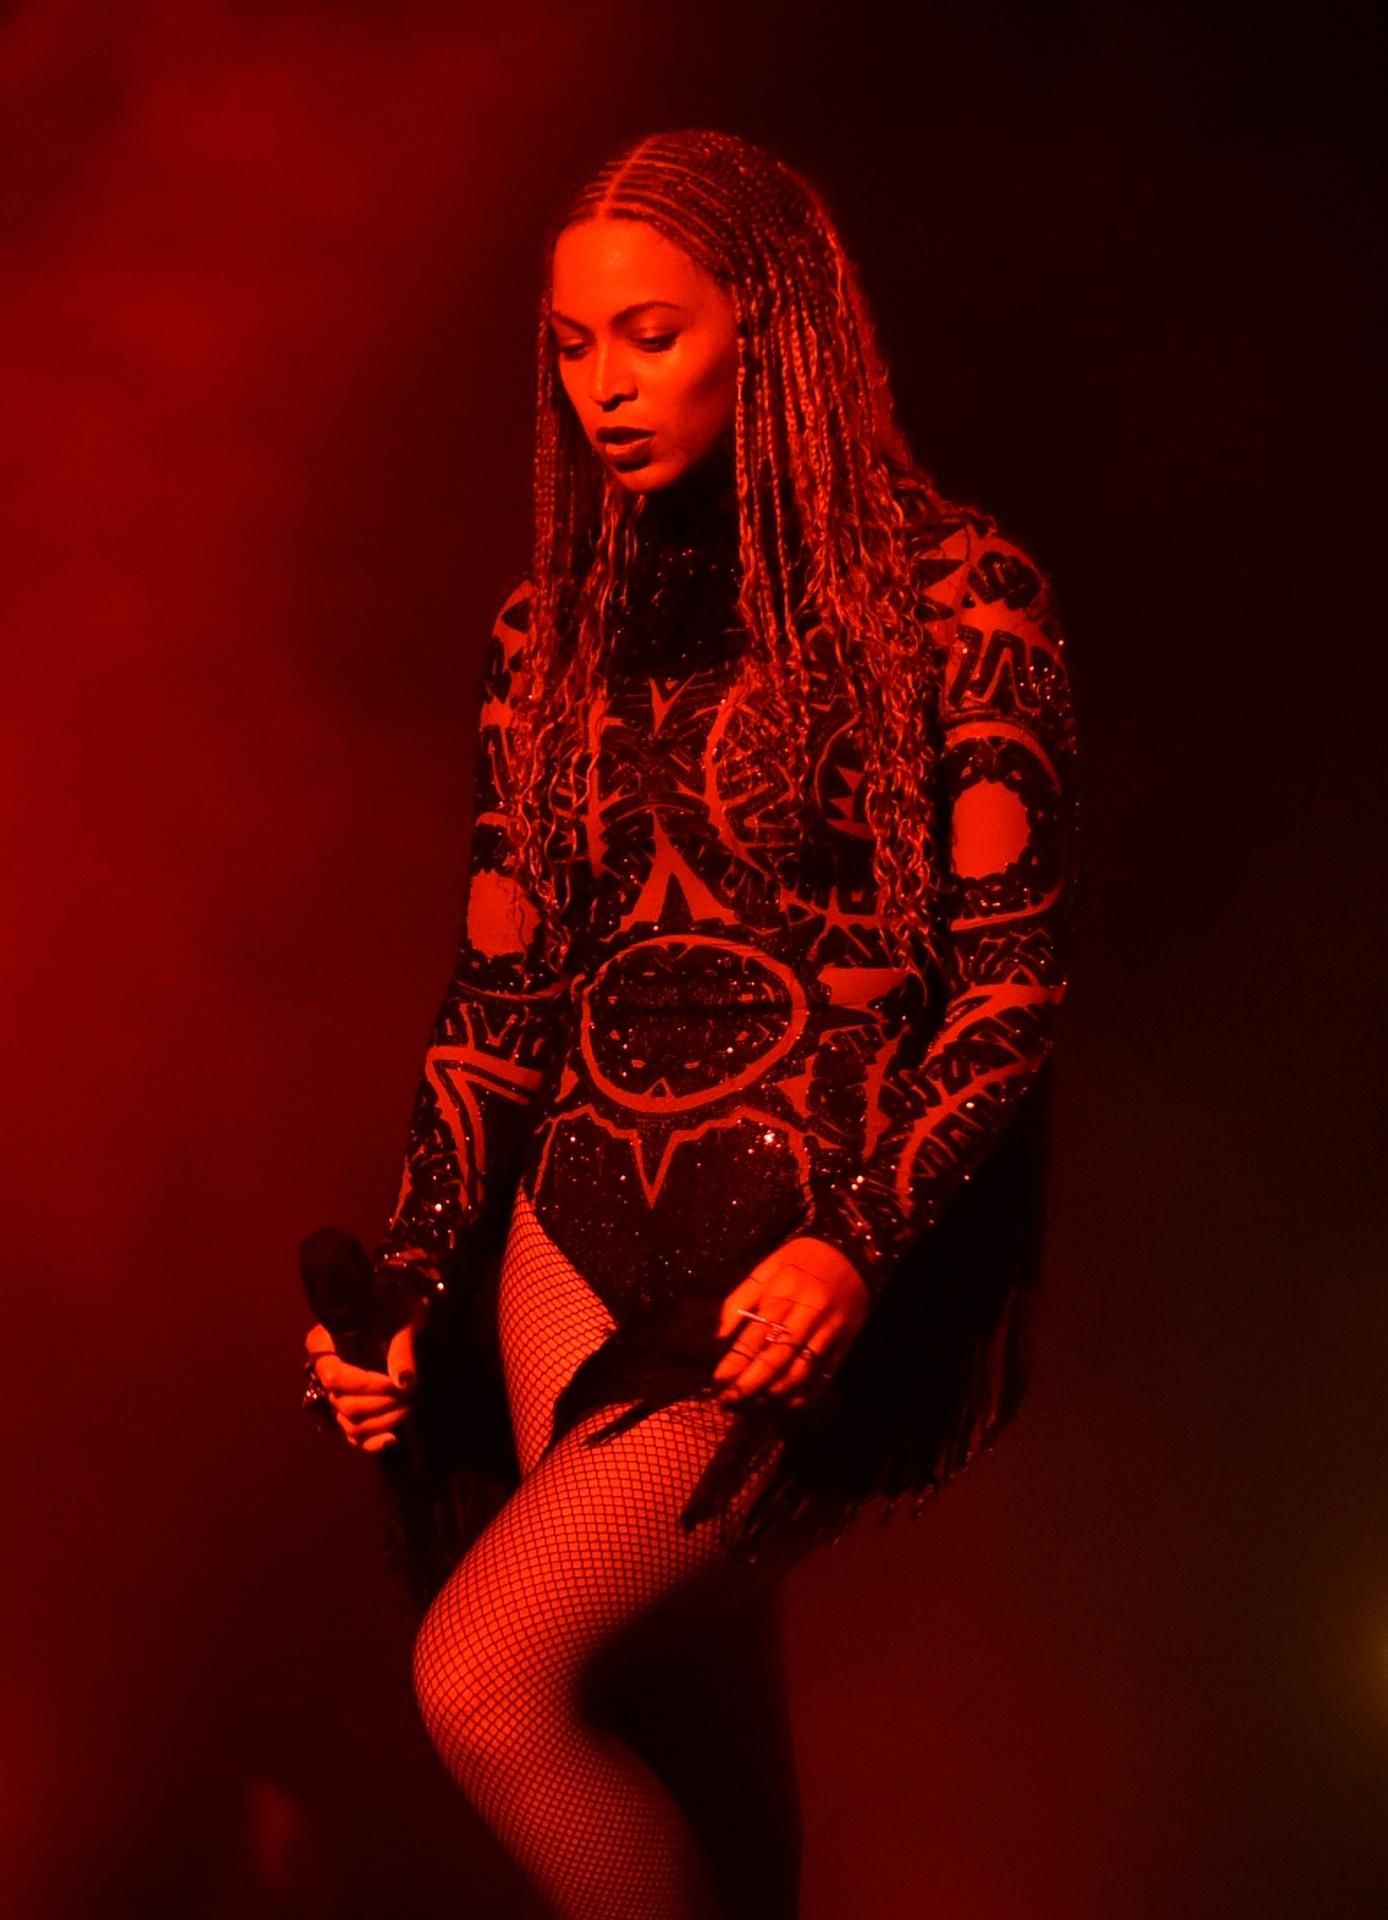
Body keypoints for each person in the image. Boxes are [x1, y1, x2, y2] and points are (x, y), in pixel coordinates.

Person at [302, 127, 1079, 1920]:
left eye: (651, 336)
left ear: (772, 328)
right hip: (566, 1233)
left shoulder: (960, 600)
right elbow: (502, 992)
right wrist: (409, 1278)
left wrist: (857, 1243)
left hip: (793, 1241)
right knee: (702, 1760)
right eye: (574, 346)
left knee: (484, 1680)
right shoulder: (547, 635)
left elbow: (1008, 990)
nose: (604, 386)